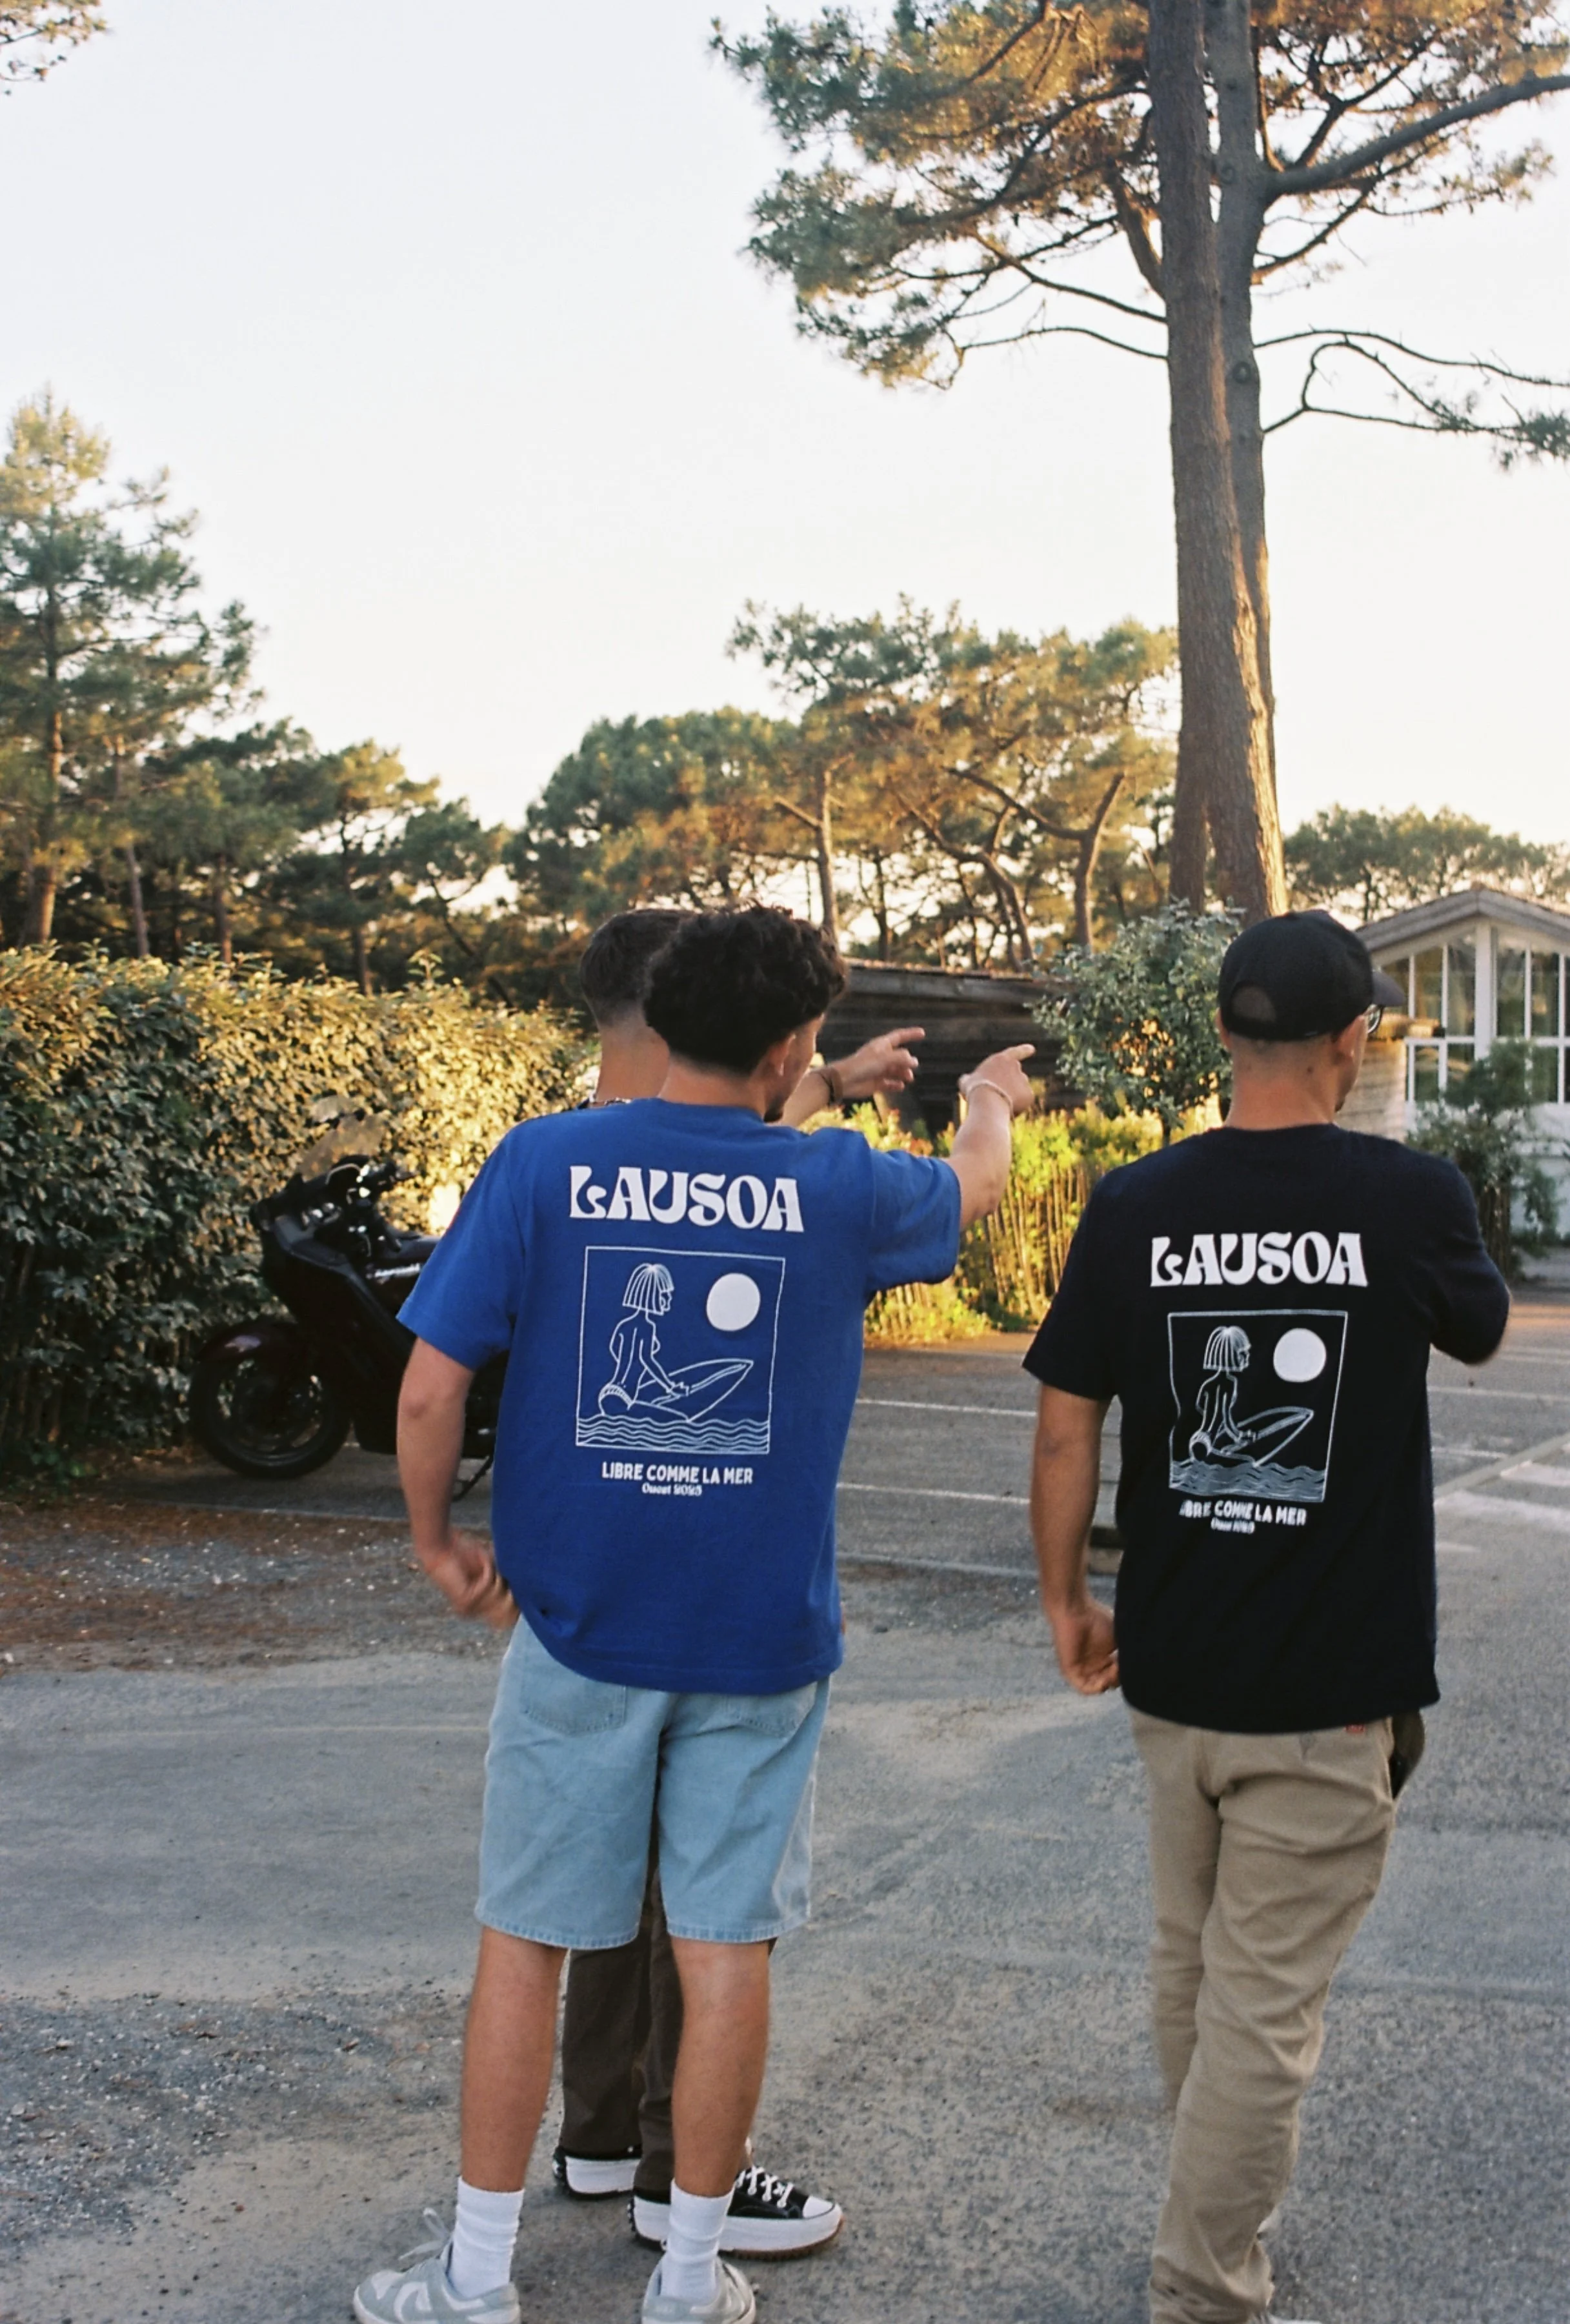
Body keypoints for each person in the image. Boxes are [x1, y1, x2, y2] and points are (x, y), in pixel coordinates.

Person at [353, 904, 1035, 2324]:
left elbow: (429, 1386)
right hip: (757, 1640)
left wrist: (437, 1544)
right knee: (723, 1953)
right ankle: (684, 2276)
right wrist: (985, 1103)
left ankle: (476, 2279)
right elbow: (975, 1188)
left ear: (660, 1021)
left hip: (576, 1627)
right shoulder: (838, 1186)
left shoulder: (545, 1160)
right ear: (793, 1043)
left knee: (523, 1943)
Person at [1024, 910, 1508, 2324]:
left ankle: (1208, 2229)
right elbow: (1476, 1327)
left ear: (1223, 1037)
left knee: (1197, 1968)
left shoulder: (1131, 1204)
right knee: (1261, 2008)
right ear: (1355, 1039)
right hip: (1330, 1681)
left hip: (1173, 1661)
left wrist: (1063, 1597)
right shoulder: (1407, 1196)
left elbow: (1066, 1428)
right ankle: (1205, 2285)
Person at [557, 907, 927, 2260]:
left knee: (593, 1875)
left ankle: (600, 2138)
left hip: (577, 1595)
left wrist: (832, 1077)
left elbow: (721, 1136)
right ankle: (681, 2172)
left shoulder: (551, 1155)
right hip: (715, 1595)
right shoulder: (728, 1163)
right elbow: (752, 1164)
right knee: (705, 1900)